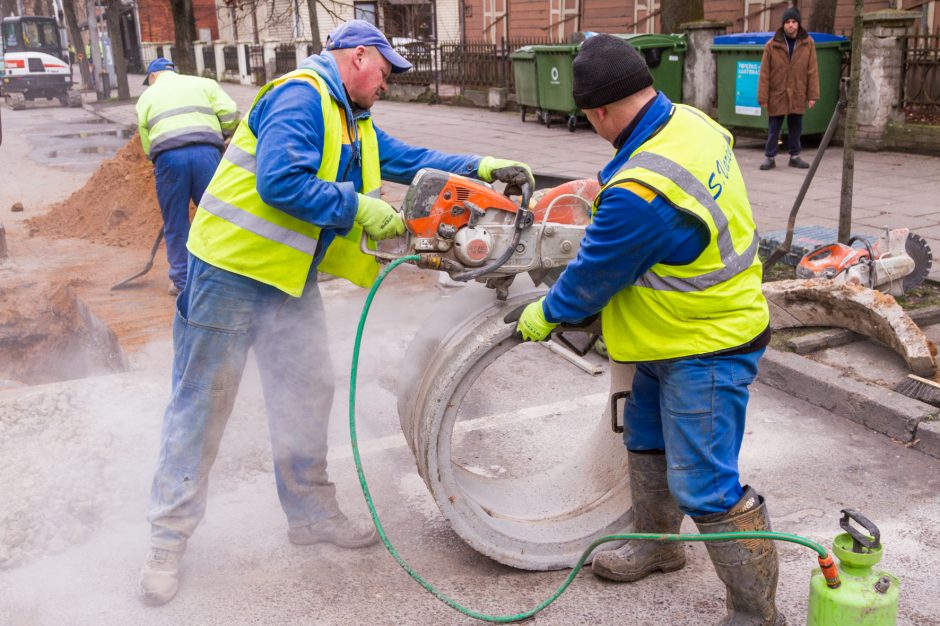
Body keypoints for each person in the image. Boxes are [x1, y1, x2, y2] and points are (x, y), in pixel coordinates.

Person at [138, 20, 531, 606]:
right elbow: (279, 184)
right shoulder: (302, 96)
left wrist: (479, 167)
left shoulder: (354, 118)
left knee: (307, 389)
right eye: (386, 69)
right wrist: (363, 212)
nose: (390, 82)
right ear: (355, 57)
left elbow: (410, 158)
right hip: (229, 274)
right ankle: (167, 542)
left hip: (286, 279)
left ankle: (311, 513)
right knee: (203, 403)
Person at [512, 35, 782, 625]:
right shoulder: (688, 122)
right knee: (645, 438)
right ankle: (659, 550)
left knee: (706, 482)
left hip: (706, 345)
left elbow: (592, 277)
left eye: (588, 120)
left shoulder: (642, 192)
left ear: (601, 110)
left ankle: (756, 612)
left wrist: (547, 312)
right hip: (671, 334)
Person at [135, 58, 240, 295]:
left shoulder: (146, 98)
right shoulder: (204, 84)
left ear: (152, 77)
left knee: (175, 221)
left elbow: (146, 143)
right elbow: (231, 112)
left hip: (169, 159)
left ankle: (183, 282)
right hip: (207, 154)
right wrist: (223, 134)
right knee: (215, 215)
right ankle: (223, 275)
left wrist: (160, 161)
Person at [757, 7, 819, 171]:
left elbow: (812, 70)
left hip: (798, 89)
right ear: (783, 25)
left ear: (798, 24)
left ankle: (795, 156)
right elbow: (764, 73)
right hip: (777, 91)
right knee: (774, 126)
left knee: (796, 125)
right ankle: (769, 157)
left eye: (794, 22)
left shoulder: (808, 43)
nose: (791, 25)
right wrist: (763, 98)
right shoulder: (772, 45)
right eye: (787, 22)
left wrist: (812, 95)